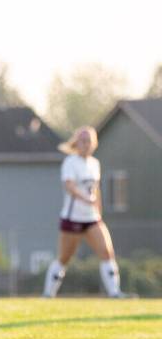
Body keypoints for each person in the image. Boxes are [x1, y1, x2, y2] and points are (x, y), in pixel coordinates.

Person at [42, 126, 131, 298]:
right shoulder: (70, 162)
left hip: (91, 218)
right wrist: (84, 198)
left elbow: (96, 190)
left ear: (95, 143)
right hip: (72, 218)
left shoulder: (94, 163)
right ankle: (48, 293)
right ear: (77, 143)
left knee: (107, 253)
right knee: (64, 258)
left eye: (89, 141)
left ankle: (115, 292)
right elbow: (69, 186)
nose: (86, 144)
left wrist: (98, 209)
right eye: (83, 141)